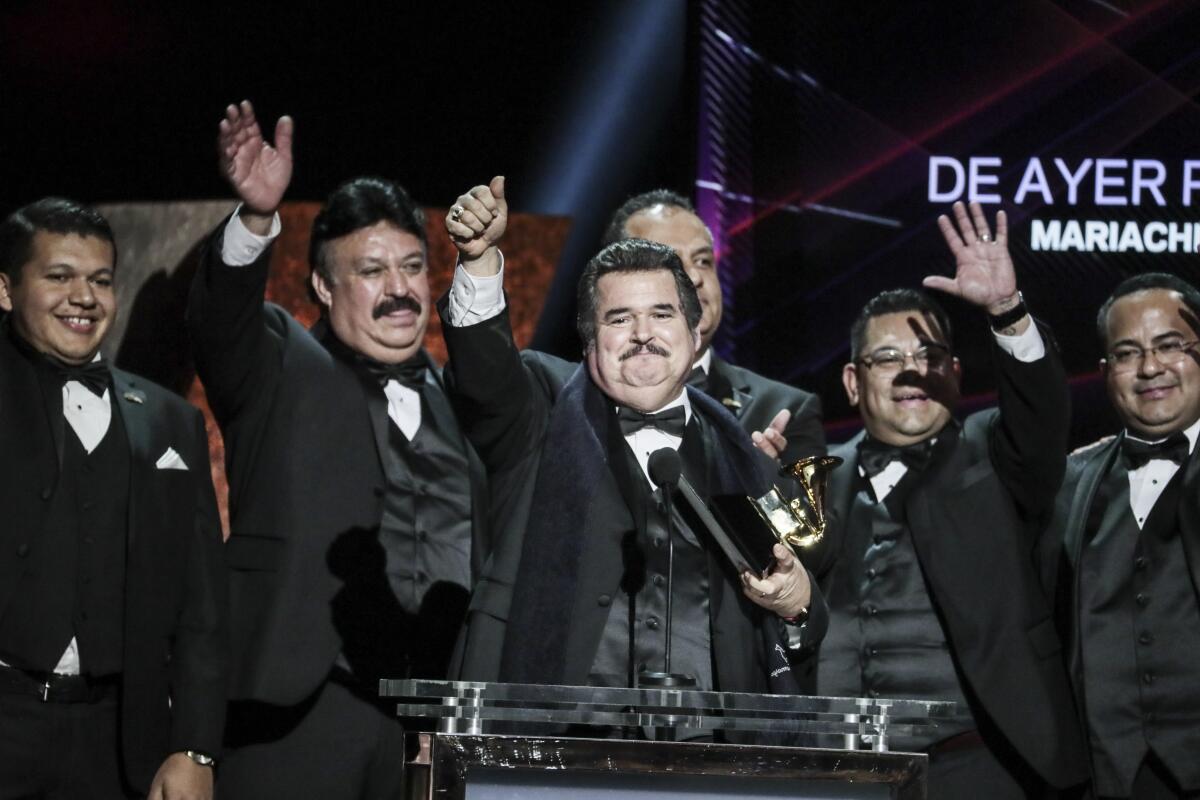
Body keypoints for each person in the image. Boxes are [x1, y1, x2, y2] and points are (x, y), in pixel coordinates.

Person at [187, 102, 487, 799]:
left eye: (412, 267)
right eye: (372, 271)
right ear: (322, 286)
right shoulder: (277, 368)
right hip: (301, 707)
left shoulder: (466, 397)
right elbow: (219, 323)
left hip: (436, 728)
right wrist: (256, 219)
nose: (399, 290)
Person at [440, 177, 825, 696]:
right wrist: (480, 262)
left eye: (662, 315)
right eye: (619, 318)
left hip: (709, 747)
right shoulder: (543, 409)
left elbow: (802, 624)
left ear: (694, 336)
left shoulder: (740, 450)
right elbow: (485, 380)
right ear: (588, 342)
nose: (643, 333)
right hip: (553, 733)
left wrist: (796, 600)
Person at [804, 202, 1087, 798]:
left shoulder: (995, 455)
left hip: (981, 766)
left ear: (956, 373)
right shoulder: (815, 478)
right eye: (888, 359)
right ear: (854, 382)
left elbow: (1041, 417)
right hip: (835, 771)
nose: (911, 372)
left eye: (929, 357)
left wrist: (1008, 313)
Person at [0, 198, 227, 799]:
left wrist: (195, 746)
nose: (84, 296)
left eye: (100, 280)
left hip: (121, 740)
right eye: (59, 276)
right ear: (5, 290)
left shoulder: (171, 422)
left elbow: (201, 605)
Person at [1040, 272, 1200, 799]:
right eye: (1129, 353)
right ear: (1106, 373)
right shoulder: (1070, 484)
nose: (1151, 367)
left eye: (1171, 346)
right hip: (1106, 773)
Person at [603, 190, 825, 464]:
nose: (695, 276)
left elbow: (811, 507)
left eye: (703, 261)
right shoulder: (569, 402)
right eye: (670, 262)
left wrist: (763, 490)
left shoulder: (783, 412)